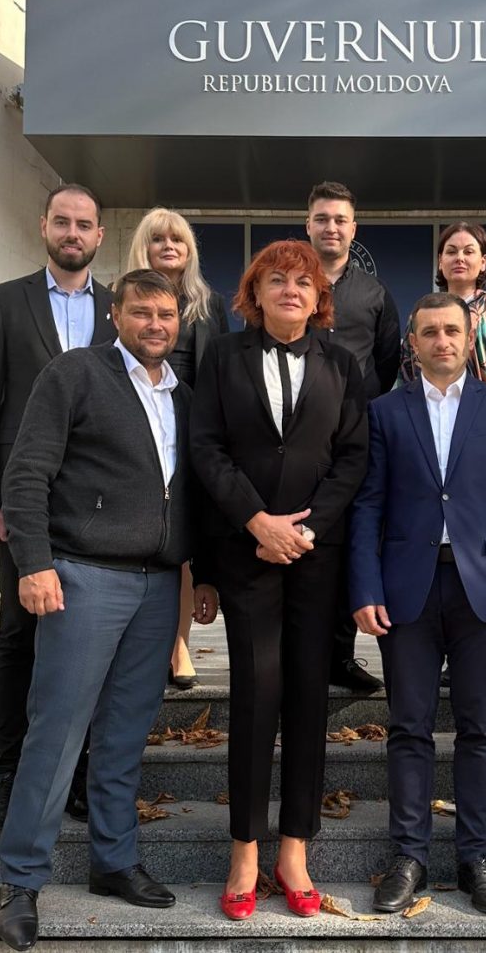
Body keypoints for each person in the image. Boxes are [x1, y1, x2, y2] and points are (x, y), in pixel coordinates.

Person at [0, 269, 209, 952]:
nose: (155, 324)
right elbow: (27, 471)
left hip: (157, 586)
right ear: (115, 315)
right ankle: (21, 879)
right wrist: (33, 562)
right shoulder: (75, 374)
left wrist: (202, 574)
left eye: (166, 314)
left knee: (123, 735)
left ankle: (113, 861)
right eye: (141, 312)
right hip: (83, 577)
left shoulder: (184, 395)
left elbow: (193, 492)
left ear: (179, 321)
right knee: (57, 733)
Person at [349, 292, 486, 916]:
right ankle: (408, 856)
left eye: (452, 331)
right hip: (405, 589)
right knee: (408, 727)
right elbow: (368, 505)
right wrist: (365, 589)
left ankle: (475, 858)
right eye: (429, 332)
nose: (442, 341)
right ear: (413, 343)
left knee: (480, 729)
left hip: (482, 590)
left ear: (468, 338)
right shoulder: (384, 412)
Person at [191, 240, 368, 921]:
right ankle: (244, 850)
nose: (290, 289)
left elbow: (352, 456)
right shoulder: (221, 357)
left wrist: (307, 529)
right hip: (246, 553)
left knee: (308, 698)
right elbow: (206, 447)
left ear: (319, 295)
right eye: (276, 279)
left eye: (303, 280)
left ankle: (294, 849)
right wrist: (257, 522)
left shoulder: (342, 362)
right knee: (256, 693)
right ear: (254, 292)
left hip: (317, 558)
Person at [0, 183, 116, 831]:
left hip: (98, 505)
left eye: (84, 224)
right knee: (18, 636)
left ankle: (77, 774)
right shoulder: (4, 300)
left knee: (89, 640)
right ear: (43, 226)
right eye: (62, 221)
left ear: (99, 235)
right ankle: (6, 775)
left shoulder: (117, 307)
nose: (72, 233)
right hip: (23, 500)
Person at [125, 207, 229, 690]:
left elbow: (221, 375)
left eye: (178, 240)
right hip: (135, 427)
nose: (169, 247)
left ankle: (179, 644)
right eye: (158, 239)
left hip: (190, 428)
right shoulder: (120, 298)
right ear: (143, 247)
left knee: (184, 540)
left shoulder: (209, 304)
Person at [306, 180, 401, 694]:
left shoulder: (374, 293)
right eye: (322, 218)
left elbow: (385, 363)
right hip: (292, 437)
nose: (331, 228)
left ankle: (339, 657)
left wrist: (355, 406)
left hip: (352, 437)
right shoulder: (291, 280)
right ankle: (298, 655)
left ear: (353, 229)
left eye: (340, 220)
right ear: (308, 225)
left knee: (346, 542)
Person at [399, 221, 486, 392]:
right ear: (440, 261)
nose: (459, 258)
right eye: (451, 252)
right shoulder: (423, 312)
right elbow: (407, 373)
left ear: (483, 262)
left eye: (468, 252)